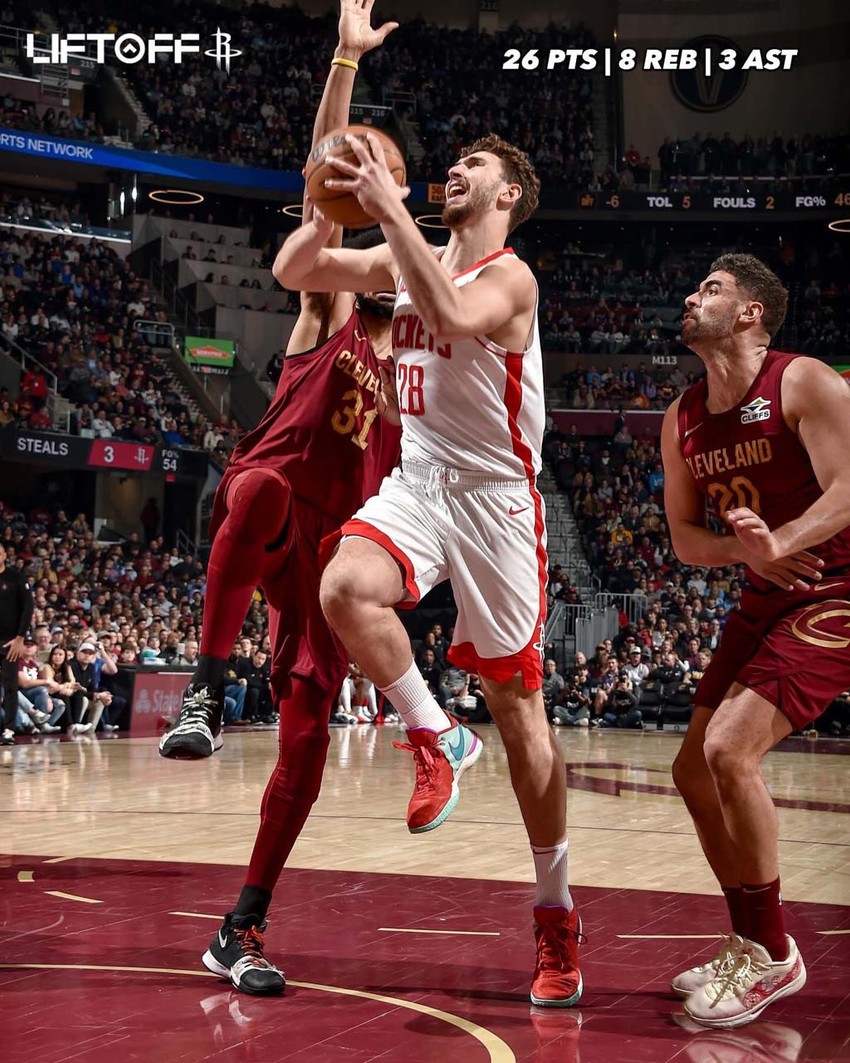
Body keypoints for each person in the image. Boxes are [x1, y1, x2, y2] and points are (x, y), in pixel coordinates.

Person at [280, 118, 581, 1002]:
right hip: (419, 480)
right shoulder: (400, 257)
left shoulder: (508, 276)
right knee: (344, 586)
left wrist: (385, 212)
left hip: (496, 502)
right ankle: (432, 733)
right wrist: (331, 203)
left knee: (522, 715)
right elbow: (296, 272)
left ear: (507, 195)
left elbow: (450, 314)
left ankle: (556, 916)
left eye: (473, 165)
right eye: (450, 163)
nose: (454, 169)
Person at [160, 0, 401, 997]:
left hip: (333, 556)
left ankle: (242, 923)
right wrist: (343, 62)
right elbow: (320, 191)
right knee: (257, 487)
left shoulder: (422, 361)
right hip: (270, 501)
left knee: (306, 734)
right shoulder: (328, 305)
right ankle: (207, 687)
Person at [661, 253, 850, 1028]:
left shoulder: (802, 380)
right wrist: (747, 550)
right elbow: (681, 536)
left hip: (838, 589)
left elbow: (848, 489)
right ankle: (747, 940)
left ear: (750, 313)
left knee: (727, 750)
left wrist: (780, 540)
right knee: (691, 771)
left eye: (708, 289)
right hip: (763, 596)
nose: (689, 294)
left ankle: (773, 954)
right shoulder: (681, 417)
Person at [0, 542, 34, 744]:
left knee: (10, 685)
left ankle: (9, 730)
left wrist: (20, 638)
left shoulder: (15, 577)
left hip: (10, 641)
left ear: (5, 555)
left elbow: (28, 607)